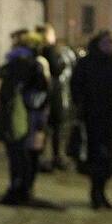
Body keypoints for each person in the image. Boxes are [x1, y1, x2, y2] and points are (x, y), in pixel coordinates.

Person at [0, 29, 50, 205]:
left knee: (17, 152)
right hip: (29, 114)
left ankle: (17, 189)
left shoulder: (19, 61)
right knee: (23, 152)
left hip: (17, 114)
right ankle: (23, 189)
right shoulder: (33, 62)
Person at [70, 30, 112, 209]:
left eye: (111, 42)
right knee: (95, 156)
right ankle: (95, 193)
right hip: (91, 116)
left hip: (108, 115)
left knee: (107, 156)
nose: (110, 46)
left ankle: (102, 191)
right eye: (106, 42)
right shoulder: (86, 63)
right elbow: (75, 86)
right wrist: (80, 106)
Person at [36, 23, 73, 172]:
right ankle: (55, 158)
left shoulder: (36, 50)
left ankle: (41, 158)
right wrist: (63, 63)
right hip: (53, 94)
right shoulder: (50, 50)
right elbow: (57, 69)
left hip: (43, 96)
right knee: (56, 127)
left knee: (44, 129)